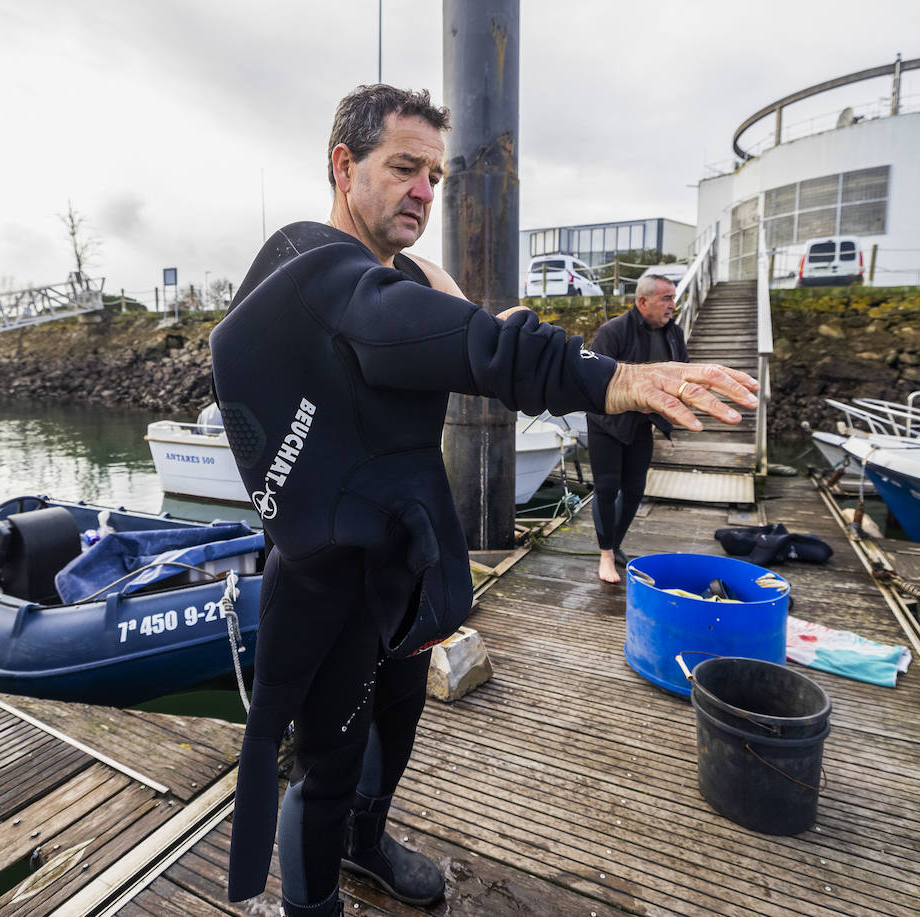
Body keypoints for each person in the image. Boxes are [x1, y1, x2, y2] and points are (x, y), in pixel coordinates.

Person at [210, 84, 757, 917]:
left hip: (397, 557)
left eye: (434, 174)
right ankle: (313, 902)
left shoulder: (393, 275)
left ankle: (367, 843)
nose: (425, 192)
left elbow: (469, 338)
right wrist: (617, 378)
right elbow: (485, 344)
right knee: (325, 766)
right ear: (343, 165)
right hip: (325, 579)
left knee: (398, 715)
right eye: (404, 168)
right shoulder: (328, 276)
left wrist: (484, 323)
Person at [585, 273, 689, 584]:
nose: (673, 305)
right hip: (606, 421)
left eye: (673, 298)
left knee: (634, 490)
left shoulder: (674, 334)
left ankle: (615, 545)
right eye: (666, 298)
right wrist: (635, 398)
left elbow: (681, 372)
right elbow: (592, 379)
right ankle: (605, 556)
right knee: (607, 487)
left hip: (643, 422)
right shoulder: (612, 332)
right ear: (642, 301)